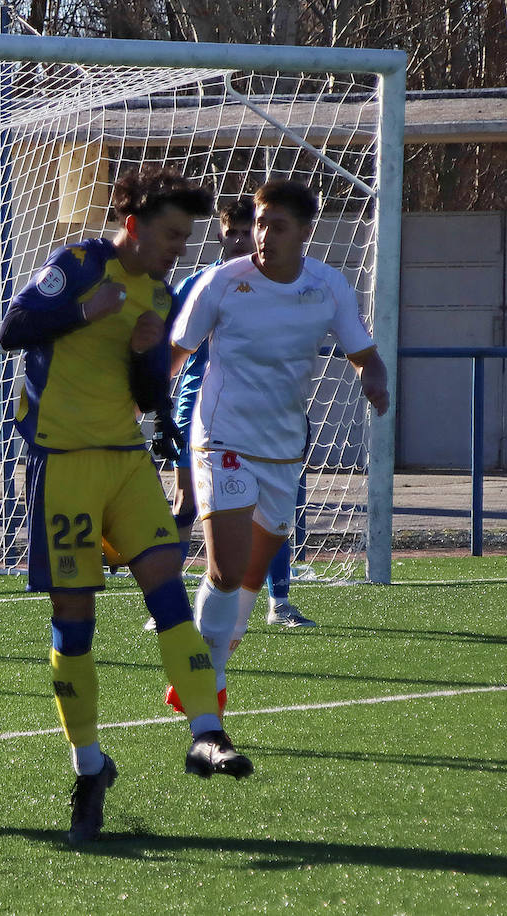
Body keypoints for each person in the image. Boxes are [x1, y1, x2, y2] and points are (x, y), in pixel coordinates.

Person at [0, 165, 253, 845]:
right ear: (135, 225)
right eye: (171, 235)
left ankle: (206, 732)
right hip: (63, 464)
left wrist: (147, 359)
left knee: (166, 590)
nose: (178, 248)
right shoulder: (79, 264)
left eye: (185, 237)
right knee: (73, 617)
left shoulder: (161, 298)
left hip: (124, 462)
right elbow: (16, 326)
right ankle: (89, 768)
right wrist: (84, 312)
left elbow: (148, 398)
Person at [168, 179, 389, 711]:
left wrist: (375, 377)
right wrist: (135, 411)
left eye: (277, 226)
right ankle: (205, 683)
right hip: (220, 436)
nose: (264, 234)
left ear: (305, 233)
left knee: (247, 575)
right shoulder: (220, 283)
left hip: (283, 446)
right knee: (224, 566)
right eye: (261, 222)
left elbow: (363, 351)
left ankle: (208, 667)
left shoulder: (328, 286)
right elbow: (175, 354)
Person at [156, 197, 312, 714]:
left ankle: (277, 598)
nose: (243, 241)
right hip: (200, 417)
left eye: (252, 231)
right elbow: (171, 343)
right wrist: (157, 407)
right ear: (222, 236)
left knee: (273, 522)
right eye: (235, 233)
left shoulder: (294, 286)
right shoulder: (205, 282)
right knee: (186, 508)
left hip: (265, 430)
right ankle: (173, 607)